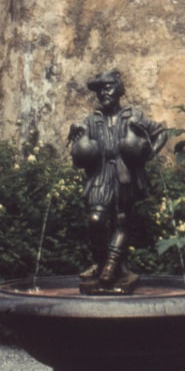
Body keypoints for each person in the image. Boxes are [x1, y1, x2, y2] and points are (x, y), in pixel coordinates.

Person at [67, 70, 166, 291]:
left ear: (119, 89)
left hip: (124, 175)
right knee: (96, 220)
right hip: (100, 174)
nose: (103, 93)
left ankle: (111, 266)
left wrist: (148, 154)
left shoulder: (133, 116)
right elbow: (78, 151)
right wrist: (75, 136)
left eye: (108, 87)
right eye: (100, 90)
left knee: (121, 220)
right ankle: (103, 263)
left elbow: (161, 133)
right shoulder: (92, 120)